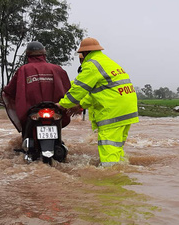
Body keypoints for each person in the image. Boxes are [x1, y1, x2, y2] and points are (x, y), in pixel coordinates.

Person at [58, 37, 139, 166]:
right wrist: (80, 105)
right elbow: (97, 93)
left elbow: (78, 89)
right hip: (127, 110)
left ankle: (109, 179)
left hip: (113, 111)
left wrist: (62, 104)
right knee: (116, 146)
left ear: (83, 54)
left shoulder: (92, 65)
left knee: (108, 146)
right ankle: (121, 172)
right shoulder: (107, 62)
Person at [2, 41, 72, 147]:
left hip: (31, 112)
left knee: (25, 133)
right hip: (55, 110)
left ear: (28, 56)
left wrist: (5, 92)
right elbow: (68, 88)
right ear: (44, 54)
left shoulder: (23, 70)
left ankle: (27, 144)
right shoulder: (57, 69)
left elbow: (10, 90)